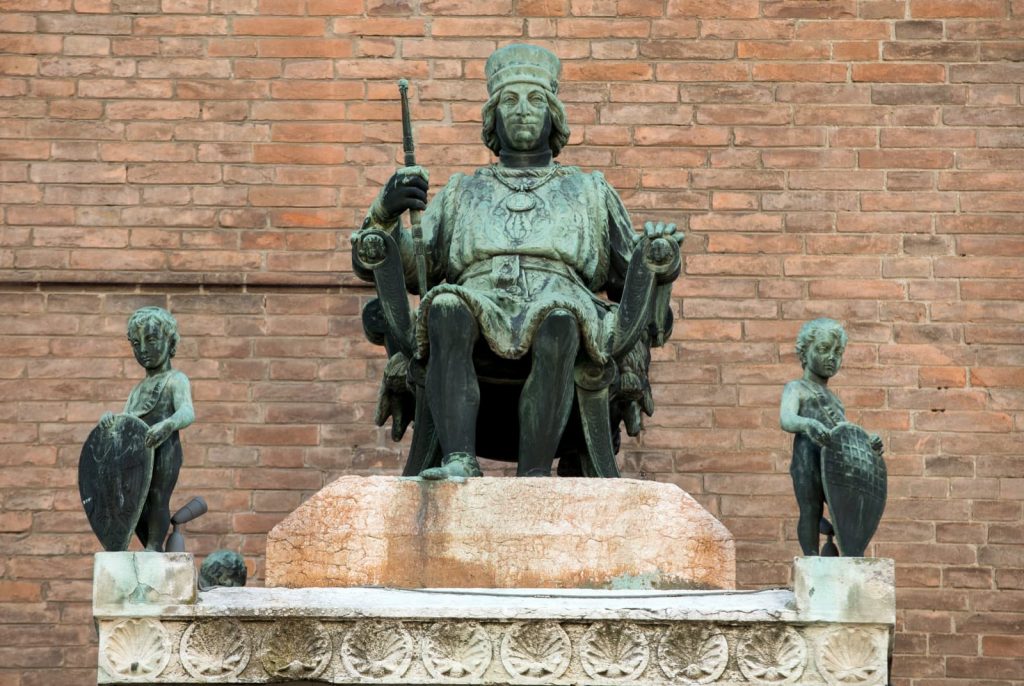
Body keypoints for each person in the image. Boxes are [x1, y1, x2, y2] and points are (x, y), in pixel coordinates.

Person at [356, 44, 681, 479]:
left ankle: (534, 474)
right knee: (445, 306)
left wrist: (656, 249)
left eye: (535, 101)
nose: (523, 111)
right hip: (478, 296)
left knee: (560, 319)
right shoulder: (460, 191)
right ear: (493, 117)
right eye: (510, 101)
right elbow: (416, 269)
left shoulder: (590, 190)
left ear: (553, 115)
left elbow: (629, 272)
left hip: (562, 299)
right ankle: (458, 460)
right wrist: (385, 213)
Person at [780, 318, 883, 555]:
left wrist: (868, 443)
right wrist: (808, 424)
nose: (831, 358)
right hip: (807, 458)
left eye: (838, 352)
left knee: (843, 509)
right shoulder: (796, 388)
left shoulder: (835, 400)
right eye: (824, 349)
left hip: (835, 464)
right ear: (805, 353)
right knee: (810, 508)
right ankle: (812, 558)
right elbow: (786, 418)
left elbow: (845, 433)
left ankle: (837, 539)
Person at [100, 306, 195, 551]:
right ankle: (150, 548)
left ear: (170, 341)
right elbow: (127, 421)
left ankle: (153, 547)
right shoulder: (137, 390)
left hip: (165, 449)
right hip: (138, 453)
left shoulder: (176, 379)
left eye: (151, 339)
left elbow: (187, 411)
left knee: (156, 498)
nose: (143, 349)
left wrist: (168, 424)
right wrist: (111, 421)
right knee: (133, 502)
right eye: (136, 343)